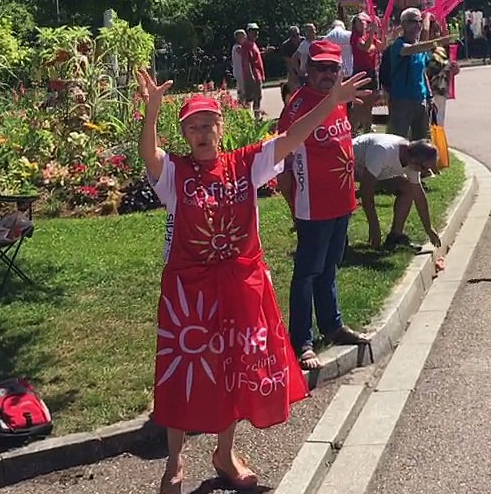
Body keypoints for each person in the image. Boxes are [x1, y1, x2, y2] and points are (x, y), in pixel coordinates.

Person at [136, 66, 370, 494]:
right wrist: (152, 112)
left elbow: (291, 139)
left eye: (208, 124)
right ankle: (174, 461)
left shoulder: (244, 164)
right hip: (190, 296)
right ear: (185, 135)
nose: (202, 132)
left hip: (241, 286)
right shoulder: (175, 174)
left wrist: (330, 102)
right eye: (193, 127)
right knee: (181, 371)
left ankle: (224, 453)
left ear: (220, 128)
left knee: (234, 371)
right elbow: (149, 156)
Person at [277, 41, 369, 371]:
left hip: (341, 202)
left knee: (330, 266)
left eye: (334, 68)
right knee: (306, 273)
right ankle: (301, 340)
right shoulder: (298, 107)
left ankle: (333, 325)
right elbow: (284, 166)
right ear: (307, 69)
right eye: (321, 68)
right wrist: (293, 207)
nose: (328, 74)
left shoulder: (339, 100)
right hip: (312, 207)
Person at [352, 133, 444, 265]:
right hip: (350, 167)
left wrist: (429, 228)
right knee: (366, 186)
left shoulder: (412, 160)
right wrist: (374, 226)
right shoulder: (383, 151)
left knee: (408, 188)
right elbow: (366, 190)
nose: (424, 172)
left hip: (376, 172)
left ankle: (395, 236)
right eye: (424, 168)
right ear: (413, 159)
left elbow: (419, 195)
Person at [381, 8, 450, 143]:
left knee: (423, 142)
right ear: (404, 25)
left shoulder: (420, 47)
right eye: (414, 21)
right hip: (401, 100)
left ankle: (422, 165)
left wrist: (429, 97)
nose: (418, 25)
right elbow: (410, 50)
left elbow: (422, 72)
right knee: (397, 141)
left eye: (419, 21)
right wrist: (429, 26)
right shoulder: (398, 45)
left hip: (421, 100)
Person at [348, 14, 382, 134]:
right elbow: (365, 47)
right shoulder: (355, 38)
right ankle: (351, 129)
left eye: (364, 22)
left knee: (370, 103)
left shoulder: (368, 37)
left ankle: (368, 128)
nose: (363, 24)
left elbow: (382, 46)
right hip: (361, 72)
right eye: (360, 22)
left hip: (371, 71)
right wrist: (372, 32)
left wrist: (385, 33)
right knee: (359, 105)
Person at [238, 23, 271, 117]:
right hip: (253, 76)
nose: (256, 33)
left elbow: (256, 57)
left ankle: (256, 117)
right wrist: (251, 76)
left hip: (258, 74)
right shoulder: (246, 45)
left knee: (257, 97)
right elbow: (246, 61)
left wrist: (265, 52)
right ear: (248, 32)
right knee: (250, 99)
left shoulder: (253, 44)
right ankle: (247, 117)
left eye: (257, 31)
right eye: (253, 31)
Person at [279, 26, 303, 102]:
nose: (296, 37)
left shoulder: (304, 41)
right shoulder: (286, 46)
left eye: (298, 35)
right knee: (294, 90)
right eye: (293, 36)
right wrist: (295, 74)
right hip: (293, 70)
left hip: (304, 68)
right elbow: (289, 62)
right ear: (290, 37)